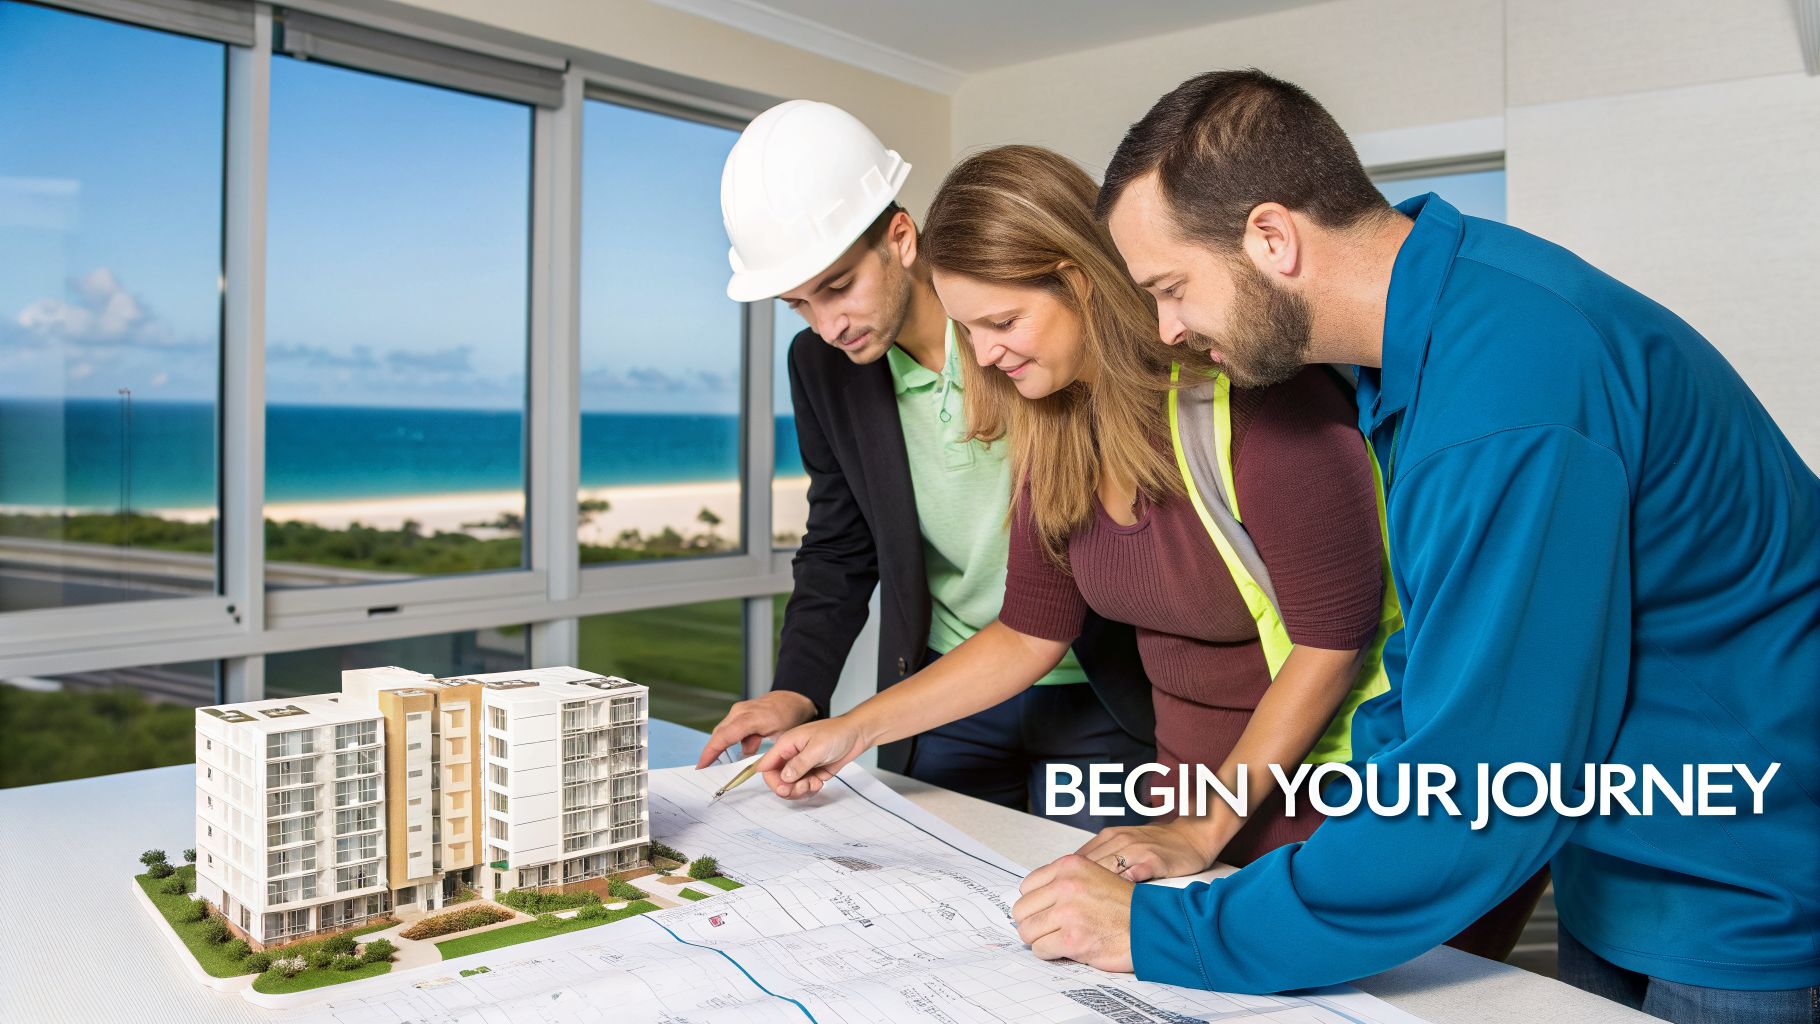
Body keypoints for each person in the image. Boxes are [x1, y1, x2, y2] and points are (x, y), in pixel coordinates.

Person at [1013, 69, 1820, 1023]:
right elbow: (1433, 674)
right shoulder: (1432, 343)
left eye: (1172, 288)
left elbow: (1483, 777)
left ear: (1272, 238)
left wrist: (1169, 931)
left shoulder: (1508, 387)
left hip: (1740, 887)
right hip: (1615, 861)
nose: (1167, 330)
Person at [751, 144, 1395, 876]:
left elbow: (1330, 644)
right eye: (969, 330)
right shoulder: (1055, 428)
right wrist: (850, 730)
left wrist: (1201, 829)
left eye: (1002, 322)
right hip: (1189, 799)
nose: (982, 357)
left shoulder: (1262, 405)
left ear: (1078, 283)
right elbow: (1029, 631)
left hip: (1323, 805)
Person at [699, 101, 1155, 829]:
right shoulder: (820, 366)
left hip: (1101, 687)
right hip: (943, 691)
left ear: (901, 239)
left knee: (1090, 889)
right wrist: (797, 691)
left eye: (839, 286)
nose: (828, 325)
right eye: (799, 304)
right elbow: (838, 546)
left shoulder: (1028, 336)